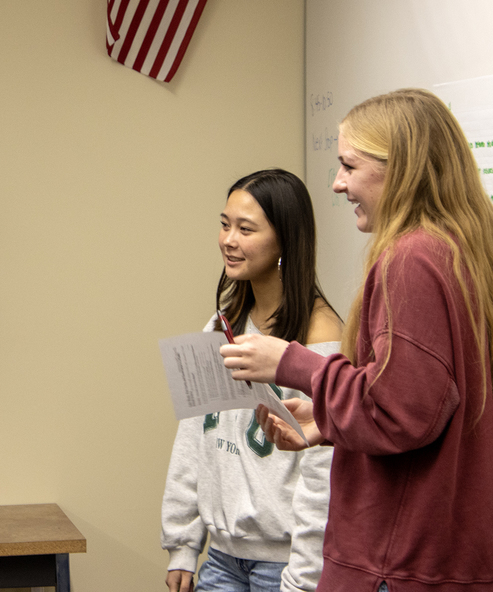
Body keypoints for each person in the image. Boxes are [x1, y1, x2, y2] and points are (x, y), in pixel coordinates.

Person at [222, 89, 493, 591]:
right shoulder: (469, 251)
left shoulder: (411, 259)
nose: (338, 184)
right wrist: (330, 419)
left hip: (402, 566)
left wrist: (294, 364)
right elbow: (427, 401)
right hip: (457, 560)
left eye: (349, 166)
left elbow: (399, 415)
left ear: (400, 168)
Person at [162, 169, 342, 592]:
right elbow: (194, 438)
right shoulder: (221, 325)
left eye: (246, 229)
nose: (229, 240)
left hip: (283, 568)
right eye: (225, 225)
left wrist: (302, 577)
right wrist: (184, 543)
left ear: (285, 241)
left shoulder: (322, 337)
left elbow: (324, 473)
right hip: (221, 560)